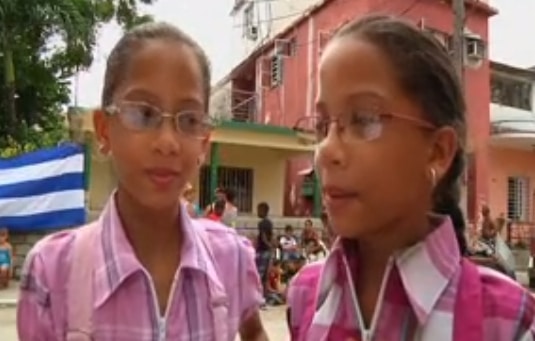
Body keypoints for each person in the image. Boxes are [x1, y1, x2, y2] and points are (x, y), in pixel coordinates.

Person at [287, 15, 535, 340]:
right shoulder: (305, 293)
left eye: (364, 119)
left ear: (437, 152)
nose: (326, 151)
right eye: (322, 126)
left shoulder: (508, 319)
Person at [17, 22, 267, 341]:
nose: (167, 142)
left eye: (189, 120)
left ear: (204, 141)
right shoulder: (52, 272)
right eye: (144, 114)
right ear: (105, 130)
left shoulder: (230, 258)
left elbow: (255, 332)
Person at [255, 202, 273, 301]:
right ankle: (265, 296)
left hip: (263, 250)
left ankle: (259, 296)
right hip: (267, 251)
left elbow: (264, 237)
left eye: (258, 210)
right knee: (265, 275)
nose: (257, 212)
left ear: (263, 211)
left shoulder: (262, 223)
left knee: (259, 274)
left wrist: (268, 246)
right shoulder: (269, 222)